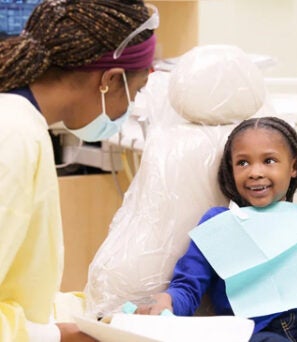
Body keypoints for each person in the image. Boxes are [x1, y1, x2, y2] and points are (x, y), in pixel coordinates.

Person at [0, 0, 158, 341]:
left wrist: (93, 312)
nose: (130, 108)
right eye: (137, 92)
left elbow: (18, 291)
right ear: (110, 80)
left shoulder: (20, 123)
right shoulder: (13, 136)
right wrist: (56, 336)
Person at [136, 116, 297, 341]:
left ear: (293, 167)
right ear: (231, 169)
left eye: (269, 160)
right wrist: (168, 301)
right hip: (255, 331)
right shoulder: (218, 224)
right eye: (243, 163)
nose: (255, 172)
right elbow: (188, 286)